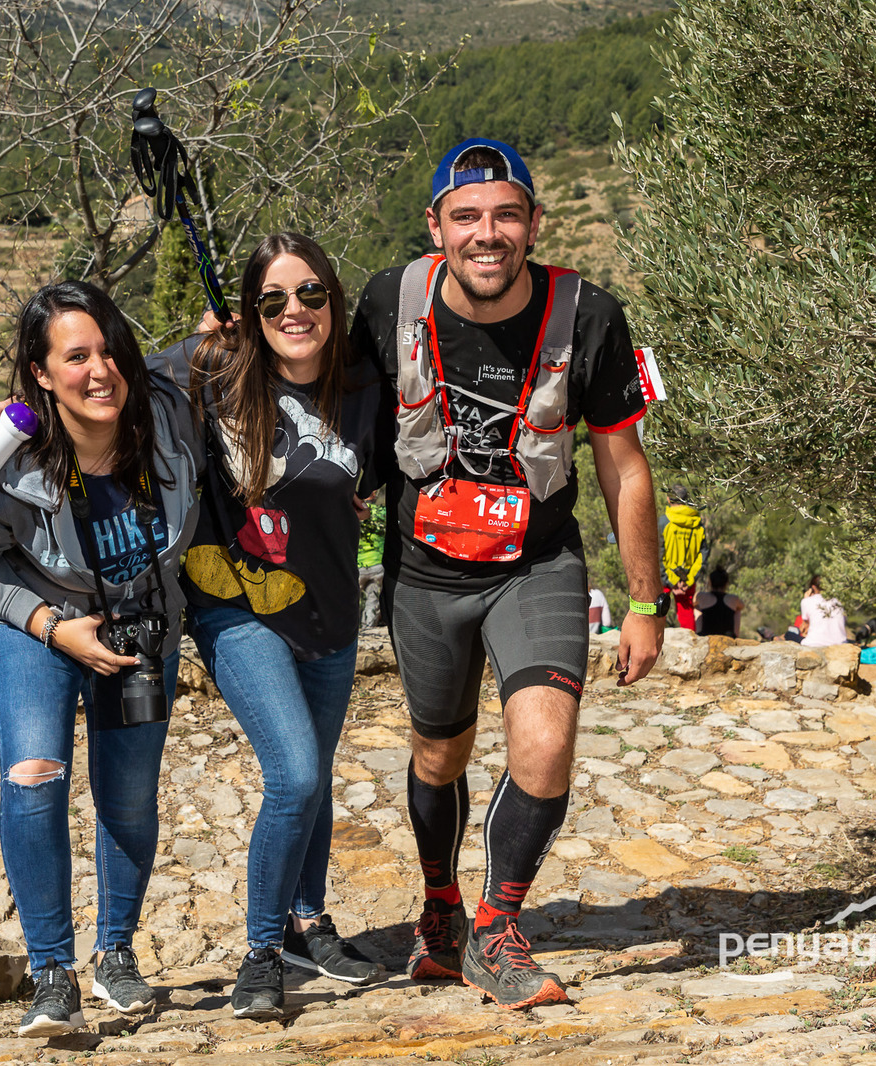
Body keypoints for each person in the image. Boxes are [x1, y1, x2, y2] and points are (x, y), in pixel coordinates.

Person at [350, 139, 664, 1010]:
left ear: (534, 223)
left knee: (546, 743)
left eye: (505, 215)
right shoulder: (389, 301)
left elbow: (624, 465)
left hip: (537, 564)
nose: (486, 234)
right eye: (466, 217)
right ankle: (439, 908)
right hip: (424, 573)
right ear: (435, 227)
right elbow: (328, 404)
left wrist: (646, 601)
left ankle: (496, 927)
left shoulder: (590, 316)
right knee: (438, 753)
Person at [0, 282, 201, 1037]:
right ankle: (52, 974)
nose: (100, 370)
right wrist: (53, 627)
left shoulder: (167, 416)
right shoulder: (5, 462)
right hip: (28, 618)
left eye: (110, 350)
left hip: (137, 623)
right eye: (76, 356)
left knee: (130, 795)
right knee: (35, 775)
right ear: (41, 374)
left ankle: (116, 954)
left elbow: (229, 348)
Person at [153, 232, 394, 1019]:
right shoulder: (213, 372)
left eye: (311, 293)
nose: (296, 310)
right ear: (250, 313)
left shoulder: (364, 387)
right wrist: (19, 412)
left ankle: (306, 921)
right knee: (294, 773)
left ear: (333, 298)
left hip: (329, 611)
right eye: (273, 300)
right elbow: (107, 385)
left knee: (314, 775)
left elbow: (384, 472)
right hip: (234, 606)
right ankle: (261, 952)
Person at [659, 485, 706, 630]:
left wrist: (671, 581)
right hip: (687, 580)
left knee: (657, 611)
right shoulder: (697, 523)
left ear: (668, 499)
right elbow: (703, 554)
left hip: (664, 578)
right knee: (687, 615)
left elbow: (658, 554)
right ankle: (689, 644)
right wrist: (689, 579)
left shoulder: (663, 522)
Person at [693, 566, 744, 637]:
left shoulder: (701, 596)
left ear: (710, 583)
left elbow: (692, 603)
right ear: (726, 583)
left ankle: (698, 632)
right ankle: (735, 636)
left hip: (706, 635)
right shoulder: (733, 598)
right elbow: (742, 606)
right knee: (737, 610)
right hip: (728, 636)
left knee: (697, 607)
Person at [358, 500, 386, 628]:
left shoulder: (354, 511)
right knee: (373, 600)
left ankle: (352, 629)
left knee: (350, 600)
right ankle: (368, 628)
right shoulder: (381, 513)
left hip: (358, 565)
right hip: (377, 564)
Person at [799, 575, 848, 648]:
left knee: (789, 634)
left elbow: (805, 627)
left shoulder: (807, 601)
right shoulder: (838, 602)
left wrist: (806, 598)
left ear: (813, 587)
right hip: (839, 643)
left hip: (815, 644)